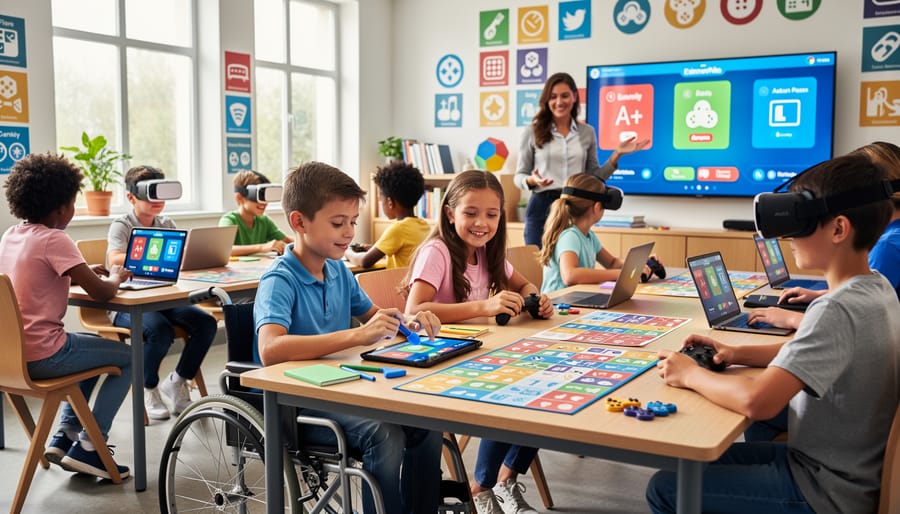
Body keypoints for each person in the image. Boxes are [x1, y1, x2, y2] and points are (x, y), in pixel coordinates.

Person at [646, 153, 900, 514]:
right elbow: (809, 351)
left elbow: (758, 402)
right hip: (845, 469)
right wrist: (735, 353)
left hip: (824, 487)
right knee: (687, 464)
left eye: (801, 222)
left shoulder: (835, 308)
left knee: (666, 488)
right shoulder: (877, 289)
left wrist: (691, 374)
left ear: (839, 229)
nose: (787, 236)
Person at [254, 161, 443, 514]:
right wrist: (355, 336)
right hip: (296, 406)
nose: (349, 233)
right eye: (338, 223)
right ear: (299, 222)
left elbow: (376, 319)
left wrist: (411, 323)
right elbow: (270, 350)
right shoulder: (279, 280)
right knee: (385, 435)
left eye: (353, 222)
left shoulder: (339, 271)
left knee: (427, 424)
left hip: (344, 389)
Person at [404, 169, 554, 514]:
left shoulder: (487, 251)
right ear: (449, 212)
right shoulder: (437, 251)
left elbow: (525, 285)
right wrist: (484, 305)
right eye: (470, 213)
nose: (481, 223)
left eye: (491, 214)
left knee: (543, 389)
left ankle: (504, 479)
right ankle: (483, 487)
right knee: (512, 394)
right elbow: (414, 310)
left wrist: (536, 299)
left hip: (478, 353)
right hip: (438, 363)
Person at [0, 152, 133, 479]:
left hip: (9, 360)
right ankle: (92, 443)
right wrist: (115, 275)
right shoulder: (55, 239)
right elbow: (103, 293)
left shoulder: (11, 236)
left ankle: (65, 435)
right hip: (46, 356)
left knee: (88, 346)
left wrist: (82, 270)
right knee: (133, 356)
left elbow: (34, 273)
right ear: (62, 207)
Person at [107, 165, 217, 421]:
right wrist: (156, 252)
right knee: (159, 331)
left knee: (206, 323)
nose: (157, 201)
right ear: (131, 197)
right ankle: (149, 387)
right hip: (126, 301)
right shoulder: (122, 225)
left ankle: (178, 380)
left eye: (162, 193)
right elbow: (115, 258)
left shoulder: (167, 223)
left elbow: (177, 261)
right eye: (150, 194)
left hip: (162, 296)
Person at [515, 71, 649, 248]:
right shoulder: (531, 131)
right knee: (537, 265)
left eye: (564, 96)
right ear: (546, 100)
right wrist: (532, 180)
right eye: (553, 97)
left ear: (574, 97)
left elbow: (594, 177)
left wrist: (617, 154)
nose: (559, 102)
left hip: (575, 206)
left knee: (570, 264)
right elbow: (519, 175)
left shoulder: (587, 132)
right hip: (542, 205)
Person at [538, 173, 658, 293]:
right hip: (557, 304)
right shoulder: (570, 236)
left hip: (575, 300)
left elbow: (612, 263)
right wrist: (621, 274)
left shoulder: (588, 235)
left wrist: (640, 263)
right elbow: (570, 275)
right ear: (597, 207)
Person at [344, 161, 429, 269]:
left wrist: (347, 252)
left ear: (390, 203)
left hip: (398, 284)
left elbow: (365, 261)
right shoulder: (422, 225)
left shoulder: (398, 229)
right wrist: (375, 248)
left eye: (381, 201)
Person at [219, 169, 293, 257]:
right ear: (240, 198)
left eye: (265, 197)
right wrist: (261, 247)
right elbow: (224, 250)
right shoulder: (229, 220)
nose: (264, 203)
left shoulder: (264, 221)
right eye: (259, 196)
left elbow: (287, 240)